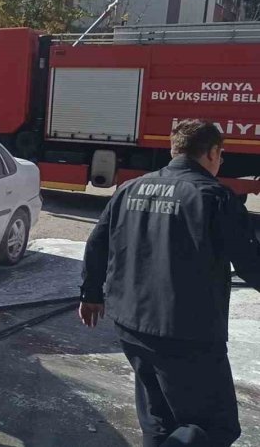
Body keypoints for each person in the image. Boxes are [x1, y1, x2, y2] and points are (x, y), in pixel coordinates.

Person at [80, 119, 260, 447]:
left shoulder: (130, 188)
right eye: (221, 156)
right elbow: (251, 262)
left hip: (130, 326)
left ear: (174, 149)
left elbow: (97, 243)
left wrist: (91, 294)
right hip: (186, 334)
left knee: (159, 421)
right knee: (215, 426)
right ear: (213, 153)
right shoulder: (215, 196)